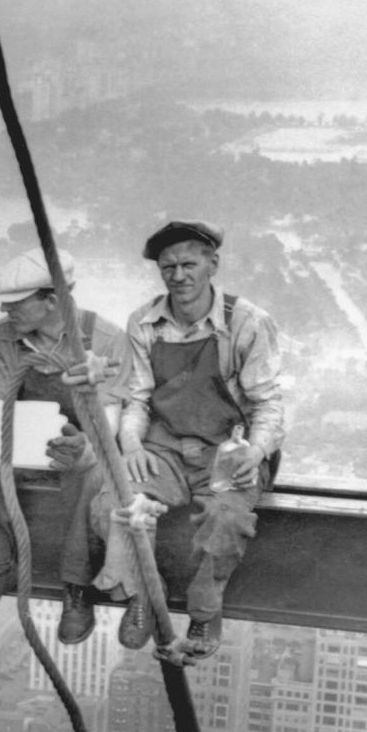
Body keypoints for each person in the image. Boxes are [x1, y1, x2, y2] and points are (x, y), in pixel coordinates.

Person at [99, 220, 284, 660]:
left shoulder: (247, 322)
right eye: (168, 267)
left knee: (225, 518)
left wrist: (256, 451)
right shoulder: (144, 322)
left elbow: (268, 403)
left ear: (212, 265)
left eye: (189, 265)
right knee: (113, 503)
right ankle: (145, 594)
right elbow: (137, 397)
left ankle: (204, 610)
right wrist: (132, 444)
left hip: (228, 450)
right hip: (165, 447)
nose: (178, 276)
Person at [0, 247, 127, 641]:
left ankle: (76, 585)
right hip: (23, 439)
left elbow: (109, 419)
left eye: (16, 303)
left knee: (90, 475)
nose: (5, 310)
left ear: (52, 301)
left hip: (83, 442)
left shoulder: (106, 339)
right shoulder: (3, 337)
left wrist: (83, 448)